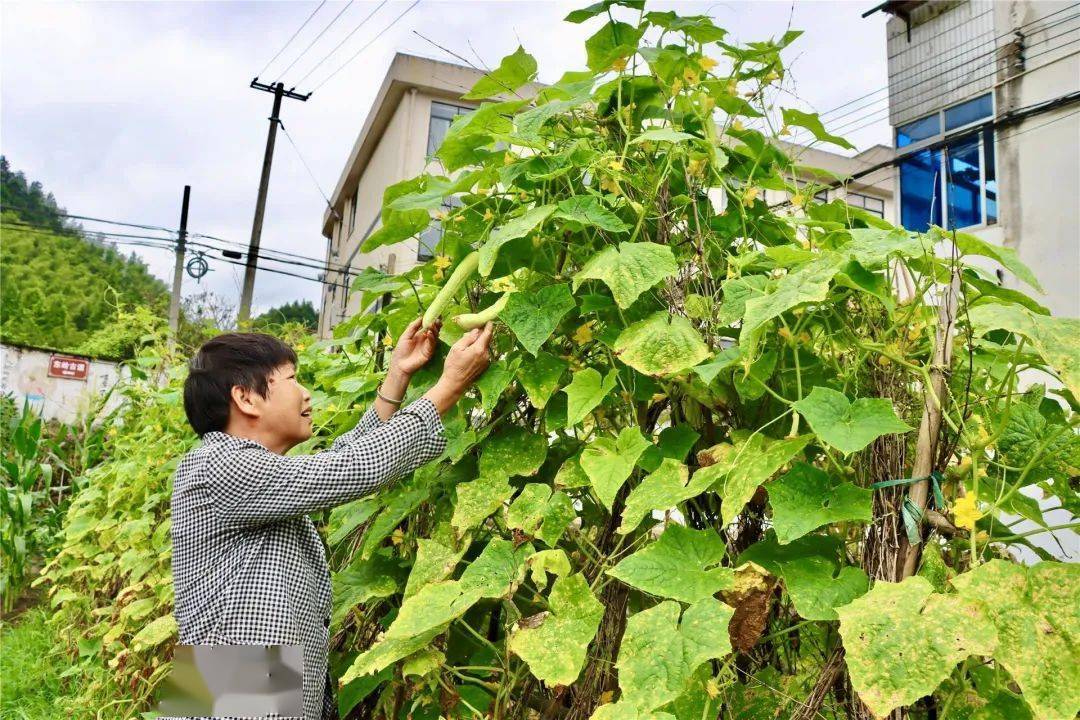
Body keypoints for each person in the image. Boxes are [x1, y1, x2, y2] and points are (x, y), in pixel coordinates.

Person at [165, 316, 494, 720]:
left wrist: (397, 376)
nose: (306, 395)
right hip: (236, 691)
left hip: (244, 684)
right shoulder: (218, 465)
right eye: (291, 380)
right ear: (246, 399)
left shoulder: (248, 471)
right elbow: (353, 469)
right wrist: (448, 388)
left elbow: (341, 460)